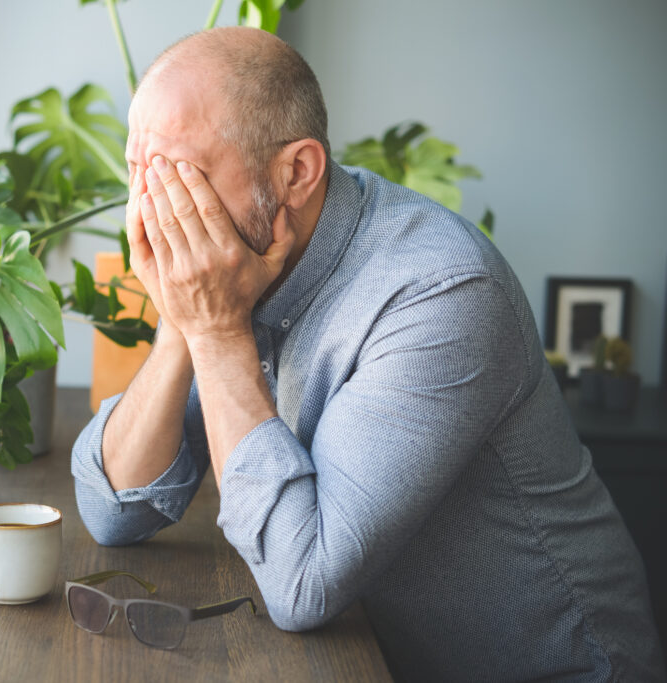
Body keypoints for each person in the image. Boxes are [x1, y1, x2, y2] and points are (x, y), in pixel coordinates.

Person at [70, 26, 665, 681]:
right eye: (139, 172)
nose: (155, 209)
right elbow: (112, 508)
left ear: (296, 172)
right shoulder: (238, 264)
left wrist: (212, 331)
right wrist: (182, 325)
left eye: (181, 175)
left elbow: (301, 583)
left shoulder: (442, 293)